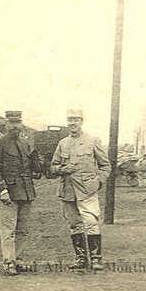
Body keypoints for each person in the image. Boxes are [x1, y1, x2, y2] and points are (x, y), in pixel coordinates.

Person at [51, 108, 111, 272]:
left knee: (91, 222)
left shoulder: (92, 141)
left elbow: (106, 166)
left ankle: (96, 258)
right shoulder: (62, 143)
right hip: (68, 191)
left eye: (76, 119)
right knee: (74, 225)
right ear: (67, 122)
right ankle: (81, 259)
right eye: (70, 119)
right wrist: (63, 169)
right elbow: (53, 167)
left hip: (87, 190)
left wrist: (98, 182)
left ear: (82, 121)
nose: (73, 123)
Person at [0, 110, 44, 275]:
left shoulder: (26, 145)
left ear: (21, 124)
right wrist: (1, 189)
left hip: (26, 192)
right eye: (11, 123)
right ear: (6, 124)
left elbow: (36, 171)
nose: (14, 126)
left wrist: (36, 157)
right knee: (8, 230)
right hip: (9, 193)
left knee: (23, 230)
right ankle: (8, 263)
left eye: (17, 123)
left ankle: (18, 260)